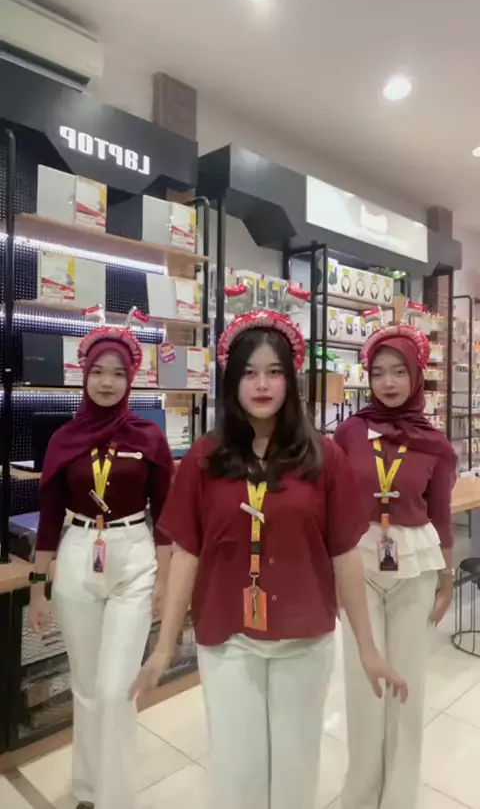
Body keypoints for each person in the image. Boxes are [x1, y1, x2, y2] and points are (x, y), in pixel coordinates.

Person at [130, 309, 407, 809]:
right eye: (250, 373)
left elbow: (345, 555)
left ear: (290, 381)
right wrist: (164, 645)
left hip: (304, 641)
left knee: (296, 776)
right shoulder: (205, 459)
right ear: (232, 382)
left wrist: (367, 648)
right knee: (237, 775)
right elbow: (186, 553)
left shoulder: (323, 457)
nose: (262, 385)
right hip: (228, 641)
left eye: (274, 372)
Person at [28, 316, 174, 809]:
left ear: (130, 379)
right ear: (84, 375)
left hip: (134, 558)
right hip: (76, 556)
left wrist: (165, 582)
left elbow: (166, 518)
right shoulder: (63, 438)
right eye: (98, 372)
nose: (107, 382)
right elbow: (49, 517)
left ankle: (115, 797)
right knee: (87, 687)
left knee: (116, 689)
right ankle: (88, 790)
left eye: (117, 373)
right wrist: (37, 587)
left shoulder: (149, 437)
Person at [334, 321, 457, 809]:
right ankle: (361, 791)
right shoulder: (349, 432)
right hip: (357, 566)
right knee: (363, 683)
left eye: (399, 372)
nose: (387, 382)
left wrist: (446, 578)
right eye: (379, 372)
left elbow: (441, 515)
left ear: (417, 375)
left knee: (408, 684)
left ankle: (400, 795)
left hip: (415, 568)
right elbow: (332, 505)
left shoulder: (435, 443)